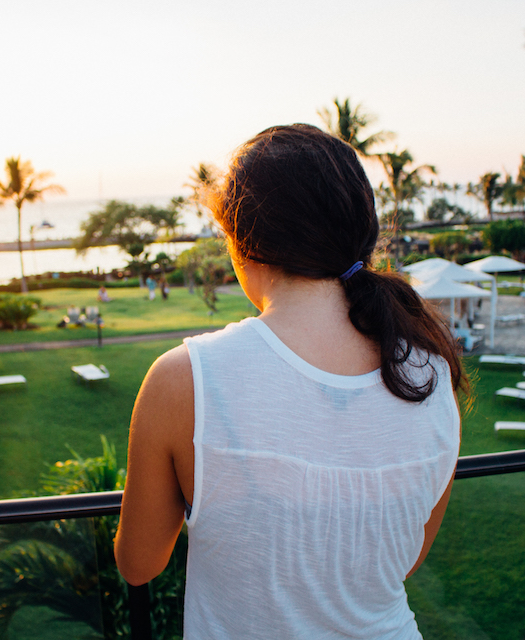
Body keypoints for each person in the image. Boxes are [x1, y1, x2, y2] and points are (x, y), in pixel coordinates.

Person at [114, 124, 466, 639]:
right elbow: (404, 561)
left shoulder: (184, 379)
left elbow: (139, 563)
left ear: (242, 242)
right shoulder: (430, 373)